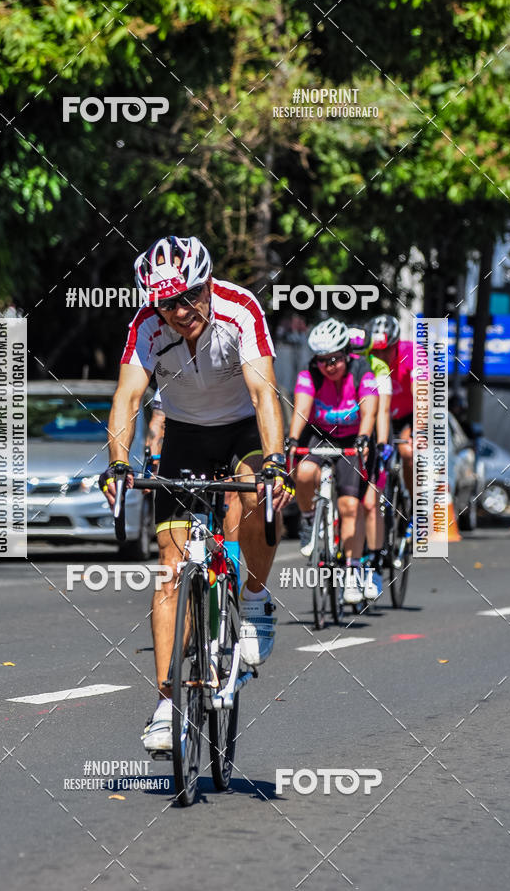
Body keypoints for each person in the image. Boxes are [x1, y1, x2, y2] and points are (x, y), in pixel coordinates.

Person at [99, 235, 294, 755]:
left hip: (242, 429)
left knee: (255, 498)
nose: (181, 311)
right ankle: (167, 704)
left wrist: (275, 464)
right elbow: (128, 397)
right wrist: (118, 464)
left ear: (207, 284)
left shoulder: (240, 308)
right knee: (170, 566)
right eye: (168, 303)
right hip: (185, 435)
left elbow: (264, 392)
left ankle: (254, 601)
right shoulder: (146, 326)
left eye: (190, 297)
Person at [286, 318, 378, 604]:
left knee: (350, 506)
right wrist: (292, 438)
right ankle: (308, 521)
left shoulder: (362, 371)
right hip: (320, 434)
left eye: (335, 359)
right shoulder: (309, 374)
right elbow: (301, 409)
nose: (329, 366)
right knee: (304, 473)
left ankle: (352, 572)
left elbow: (370, 412)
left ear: (347, 353)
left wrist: (364, 437)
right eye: (322, 360)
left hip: (352, 438)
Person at [348, 326, 394, 597]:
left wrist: (383, 444)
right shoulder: (341, 368)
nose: (354, 357)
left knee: (369, 503)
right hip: (346, 436)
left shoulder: (378, 368)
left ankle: (375, 564)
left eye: (359, 353)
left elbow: (383, 412)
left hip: (372, 437)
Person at [365, 314, 414, 498]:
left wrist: (420, 431)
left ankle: (414, 503)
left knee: (409, 453)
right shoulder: (365, 357)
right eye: (375, 351)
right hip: (377, 415)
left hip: (407, 416)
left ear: (397, 344)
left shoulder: (411, 352)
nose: (380, 356)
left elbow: (422, 395)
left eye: (386, 350)